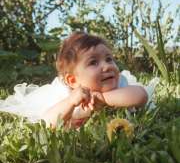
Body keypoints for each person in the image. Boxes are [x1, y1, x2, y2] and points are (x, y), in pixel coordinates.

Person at [0, 32, 159, 128]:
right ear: (73, 80)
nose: (107, 66)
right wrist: (70, 103)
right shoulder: (67, 95)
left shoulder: (118, 84)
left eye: (109, 59)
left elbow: (141, 96)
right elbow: (47, 122)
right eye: (93, 62)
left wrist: (104, 98)